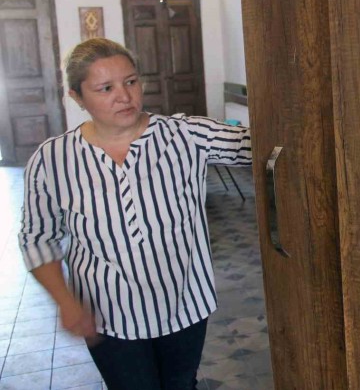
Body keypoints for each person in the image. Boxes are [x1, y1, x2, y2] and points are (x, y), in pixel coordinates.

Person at [18, 38, 252, 390]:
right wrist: (65, 301)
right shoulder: (53, 160)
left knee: (180, 384)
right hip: (109, 315)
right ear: (77, 96)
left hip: (185, 304)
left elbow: (259, 146)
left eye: (130, 81)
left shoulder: (186, 135)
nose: (124, 96)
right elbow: (37, 238)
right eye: (105, 88)